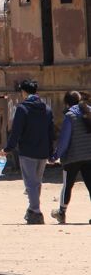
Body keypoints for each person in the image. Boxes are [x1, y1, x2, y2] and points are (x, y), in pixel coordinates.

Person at [1, 79, 55, 224]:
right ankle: (32, 210)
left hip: (28, 152)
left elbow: (16, 132)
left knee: (30, 183)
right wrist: (51, 152)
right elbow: (51, 133)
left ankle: (35, 211)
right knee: (37, 182)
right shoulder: (47, 109)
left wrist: (8, 149)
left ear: (24, 92)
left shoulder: (22, 108)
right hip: (43, 152)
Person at [50, 91, 91, 224]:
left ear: (67, 103)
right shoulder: (89, 112)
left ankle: (61, 213)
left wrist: (55, 155)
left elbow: (64, 141)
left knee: (67, 186)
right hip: (89, 156)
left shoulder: (70, 116)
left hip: (72, 157)